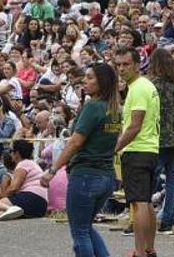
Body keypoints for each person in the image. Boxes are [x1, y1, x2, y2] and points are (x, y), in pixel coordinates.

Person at [44, 63, 120, 257]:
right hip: (106, 176)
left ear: (102, 82)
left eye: (90, 77)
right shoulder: (114, 109)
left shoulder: (93, 106)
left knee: (79, 232)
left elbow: (76, 141)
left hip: (86, 175)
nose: (85, 80)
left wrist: (53, 169)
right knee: (85, 227)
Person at [114, 46, 161, 256]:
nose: (122, 69)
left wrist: (115, 148)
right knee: (146, 202)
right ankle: (149, 250)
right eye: (118, 65)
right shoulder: (144, 86)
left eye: (126, 64)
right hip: (150, 149)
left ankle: (140, 252)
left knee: (138, 203)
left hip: (138, 150)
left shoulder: (139, 88)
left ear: (136, 64)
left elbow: (135, 125)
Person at [148, 47, 174, 234]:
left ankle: (142, 219)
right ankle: (168, 222)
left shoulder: (155, 84)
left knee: (149, 179)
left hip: (159, 138)